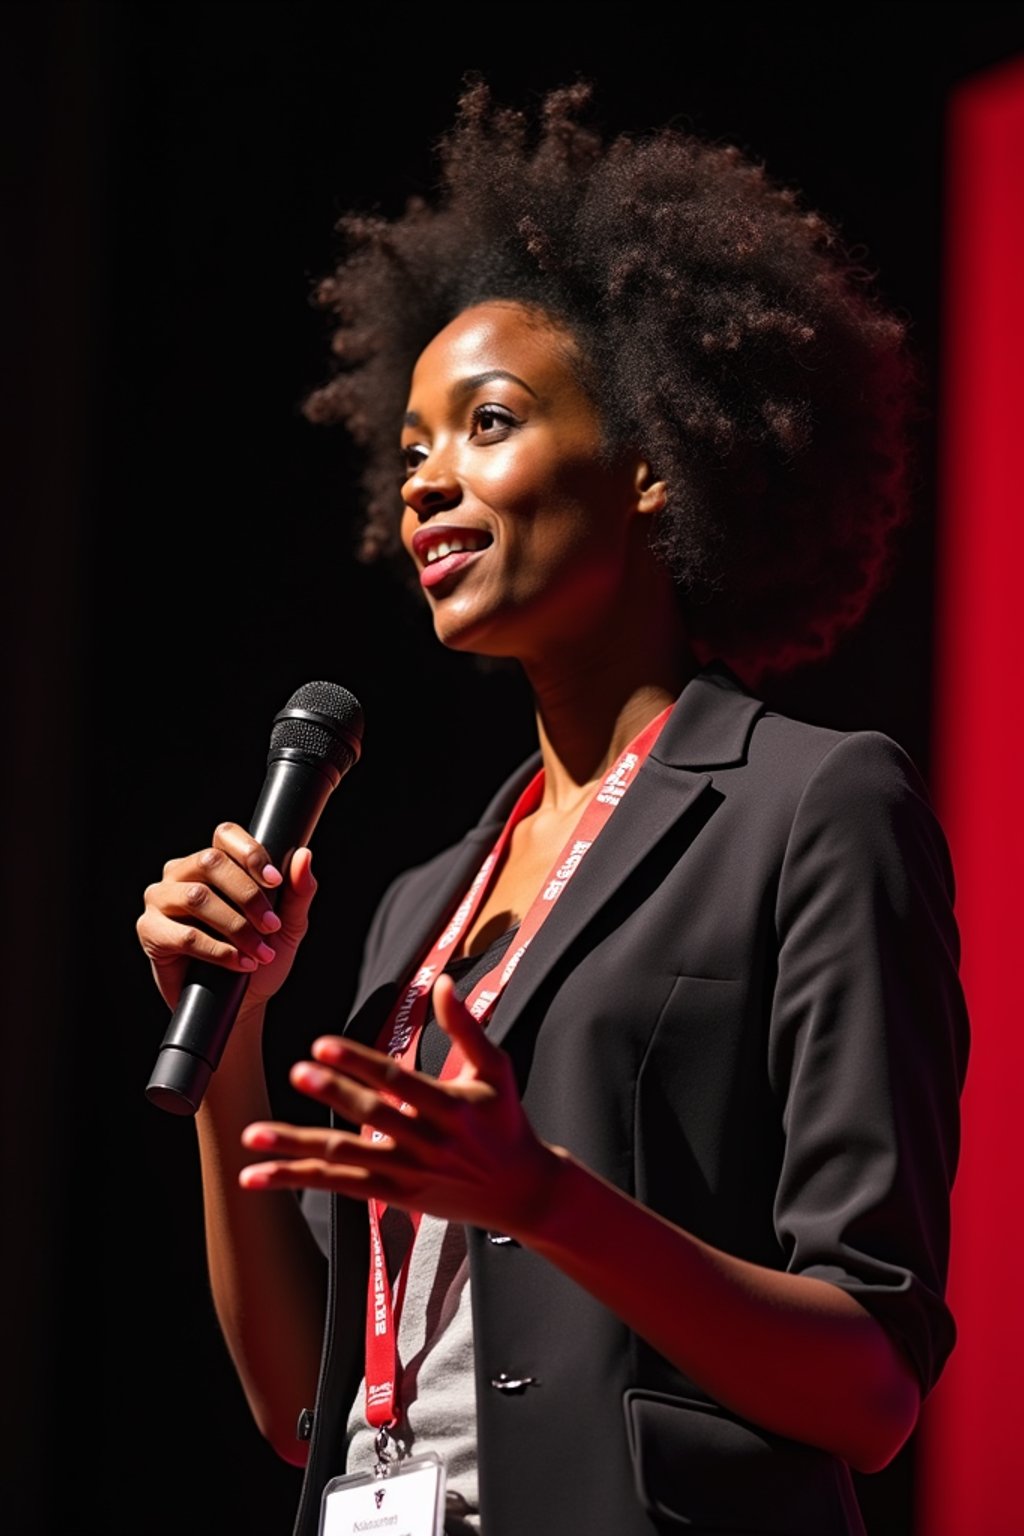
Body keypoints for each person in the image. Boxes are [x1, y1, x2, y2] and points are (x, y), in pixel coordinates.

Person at [136, 79, 969, 1536]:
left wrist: (544, 1200)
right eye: (411, 453)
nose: (426, 486)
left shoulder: (814, 804)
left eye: (490, 424)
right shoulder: (422, 905)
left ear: (652, 464)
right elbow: (294, 1412)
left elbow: (871, 1392)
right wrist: (235, 1043)